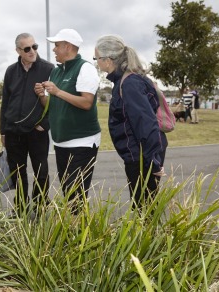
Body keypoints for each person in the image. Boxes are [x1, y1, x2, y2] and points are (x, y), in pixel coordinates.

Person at [94, 34, 166, 210]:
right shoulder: (123, 81)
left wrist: (153, 164)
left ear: (108, 60)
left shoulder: (129, 83)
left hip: (142, 158)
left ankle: (152, 237)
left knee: (145, 209)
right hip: (137, 156)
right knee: (142, 206)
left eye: (96, 58)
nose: (96, 63)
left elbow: (145, 124)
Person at [34, 29, 101, 214]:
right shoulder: (55, 72)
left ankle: (79, 237)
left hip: (82, 141)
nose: (54, 50)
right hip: (61, 141)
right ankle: (74, 234)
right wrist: (42, 96)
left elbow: (87, 102)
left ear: (68, 47)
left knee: (76, 194)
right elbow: (51, 104)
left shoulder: (85, 68)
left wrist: (57, 92)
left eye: (57, 45)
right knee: (68, 191)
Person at [1, 33, 54, 216]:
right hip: (13, 131)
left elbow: (54, 101)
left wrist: (44, 124)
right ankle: (21, 207)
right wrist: (3, 130)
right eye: (27, 48)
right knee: (17, 172)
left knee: (41, 171)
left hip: (36, 131)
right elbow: (6, 101)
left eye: (35, 46)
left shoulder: (48, 68)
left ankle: (40, 207)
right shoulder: (10, 71)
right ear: (18, 51)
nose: (32, 51)